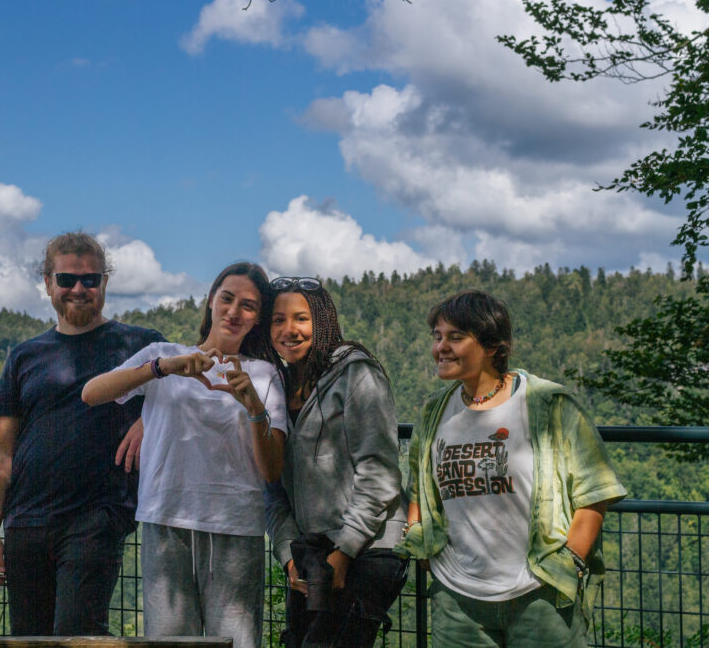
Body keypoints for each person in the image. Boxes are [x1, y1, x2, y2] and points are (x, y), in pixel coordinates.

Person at [395, 290, 627, 647]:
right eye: (437, 336)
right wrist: (420, 539)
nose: (441, 347)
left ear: (491, 346)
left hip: (539, 596)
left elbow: (594, 494)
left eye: (456, 337)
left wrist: (569, 564)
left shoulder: (549, 405)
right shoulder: (435, 411)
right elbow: (420, 487)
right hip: (457, 599)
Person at [82, 261, 286, 648]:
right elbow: (92, 393)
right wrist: (160, 369)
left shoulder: (264, 374)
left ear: (257, 319)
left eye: (248, 306)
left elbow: (272, 469)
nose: (234, 311)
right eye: (227, 298)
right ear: (210, 301)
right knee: (169, 644)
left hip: (236, 525)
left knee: (238, 643)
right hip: (166, 517)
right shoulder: (164, 355)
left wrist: (254, 407)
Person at [0, 231, 163, 636]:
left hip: (98, 515)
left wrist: (149, 420)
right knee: (30, 637)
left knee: (78, 632)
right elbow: (0, 449)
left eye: (90, 279)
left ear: (104, 283)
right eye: (66, 279)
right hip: (26, 519)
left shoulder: (141, 344)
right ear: (48, 284)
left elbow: (189, 396)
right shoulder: (24, 356)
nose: (78, 289)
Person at [264, 277, 408, 647]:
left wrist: (345, 550)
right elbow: (272, 489)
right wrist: (288, 556)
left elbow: (379, 472)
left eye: (301, 319)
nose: (288, 330)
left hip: (370, 547)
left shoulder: (355, 373)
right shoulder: (274, 388)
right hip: (312, 555)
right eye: (278, 320)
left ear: (323, 321)